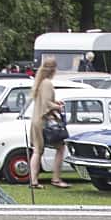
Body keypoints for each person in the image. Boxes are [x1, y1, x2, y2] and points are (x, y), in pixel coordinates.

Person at [27, 57, 69, 190]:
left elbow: (43, 101)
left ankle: (33, 181)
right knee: (60, 147)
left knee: (37, 151)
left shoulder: (39, 82)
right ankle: (56, 178)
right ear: (53, 69)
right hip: (44, 121)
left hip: (36, 119)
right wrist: (58, 107)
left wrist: (55, 103)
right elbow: (46, 103)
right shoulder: (47, 83)